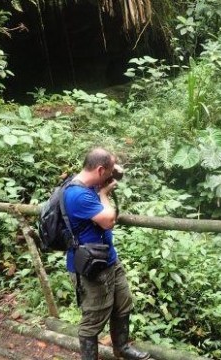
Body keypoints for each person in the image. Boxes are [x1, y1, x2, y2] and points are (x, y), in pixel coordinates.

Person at [64, 147, 150, 360]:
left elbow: (111, 172)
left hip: (107, 259)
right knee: (93, 318)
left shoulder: (91, 181)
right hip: (90, 267)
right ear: (100, 170)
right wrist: (104, 195)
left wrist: (114, 171)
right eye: (110, 170)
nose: (113, 174)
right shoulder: (77, 194)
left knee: (123, 303)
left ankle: (122, 348)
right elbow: (109, 220)